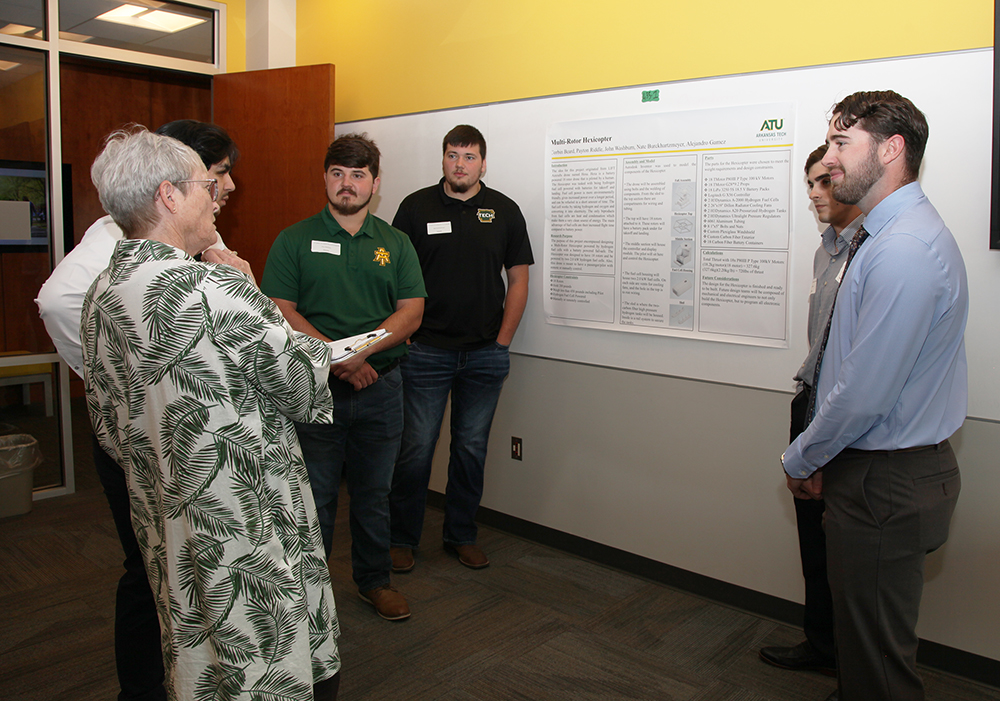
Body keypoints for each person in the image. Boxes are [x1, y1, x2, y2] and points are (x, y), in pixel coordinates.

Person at [80, 126, 341, 701]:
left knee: (198, 641)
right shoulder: (212, 289)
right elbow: (300, 383)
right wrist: (252, 288)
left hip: (168, 509)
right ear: (169, 196)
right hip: (246, 514)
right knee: (263, 653)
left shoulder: (103, 290)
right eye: (206, 185)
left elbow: (105, 421)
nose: (217, 196)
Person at [36, 119, 248, 701]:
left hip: (195, 439)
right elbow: (57, 301)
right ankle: (143, 687)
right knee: (149, 562)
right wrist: (127, 378)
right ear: (172, 188)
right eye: (218, 176)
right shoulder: (114, 247)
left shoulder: (199, 238)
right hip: (141, 436)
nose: (226, 188)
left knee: (197, 557)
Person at [781, 91, 967, 701]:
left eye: (841, 144)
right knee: (865, 655)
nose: (829, 162)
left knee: (879, 670)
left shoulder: (902, 248)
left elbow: (864, 393)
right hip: (872, 470)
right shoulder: (877, 236)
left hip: (886, 480)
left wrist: (801, 456)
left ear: (891, 150)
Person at [261, 133, 426, 621]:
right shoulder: (294, 239)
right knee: (314, 495)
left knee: (375, 493)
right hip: (314, 388)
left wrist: (359, 356)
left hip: (382, 386)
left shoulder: (395, 243)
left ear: (375, 184)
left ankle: (374, 582)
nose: (347, 184)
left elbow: (411, 312)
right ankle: (309, 594)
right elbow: (279, 308)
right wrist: (335, 359)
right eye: (338, 173)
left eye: (358, 175)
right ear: (325, 178)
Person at [388, 124, 533, 572]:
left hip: (485, 354)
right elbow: (393, 275)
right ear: (443, 160)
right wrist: (404, 332)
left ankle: (461, 534)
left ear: (483, 163)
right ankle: (401, 539)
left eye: (469, 157)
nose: (460, 164)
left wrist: (503, 342)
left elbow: (519, 280)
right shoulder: (415, 208)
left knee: (471, 448)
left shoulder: (505, 211)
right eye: (453, 155)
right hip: (426, 351)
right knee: (416, 449)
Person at [759, 144, 863, 677]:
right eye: (810, 186)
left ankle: (856, 664)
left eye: (825, 182)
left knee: (850, 551)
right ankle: (821, 645)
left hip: (845, 415)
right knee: (813, 541)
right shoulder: (826, 251)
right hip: (811, 402)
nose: (817, 195)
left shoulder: (873, 252)